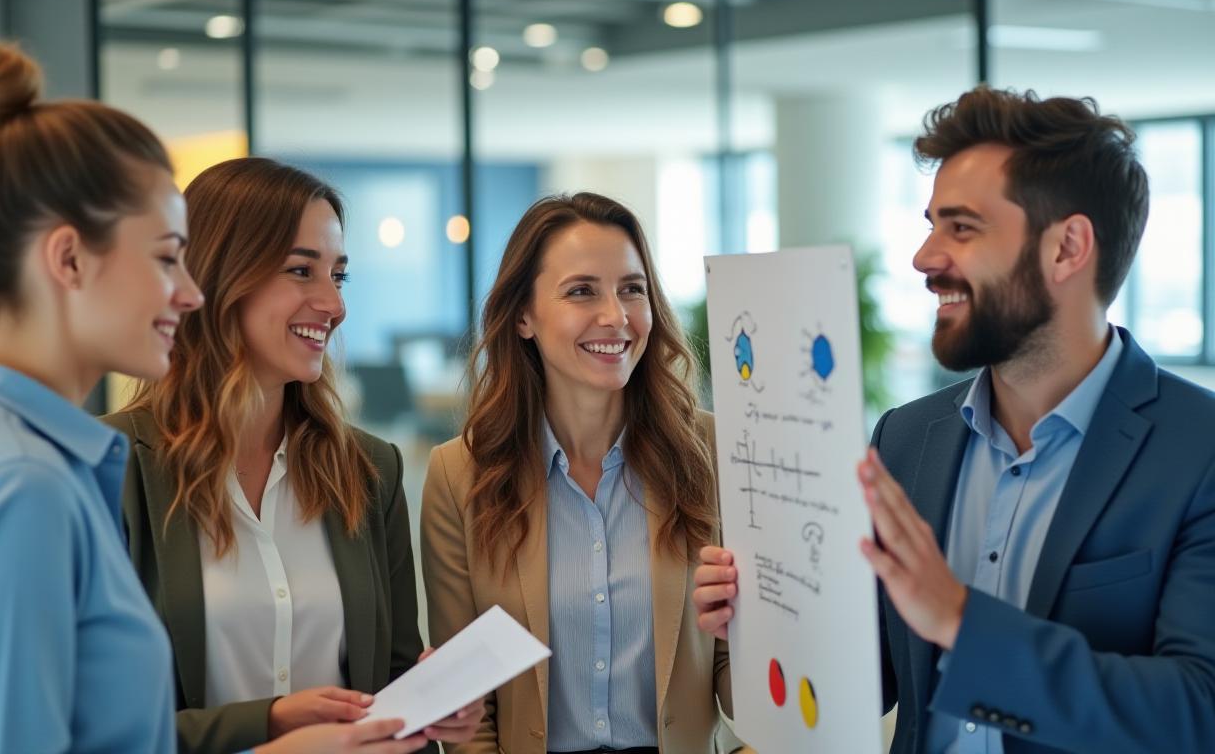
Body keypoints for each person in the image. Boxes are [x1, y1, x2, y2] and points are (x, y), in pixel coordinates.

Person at [692, 87, 1215, 753]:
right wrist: (761, 617)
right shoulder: (907, 439)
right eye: (931, 223)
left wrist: (965, 623)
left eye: (961, 228)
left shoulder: (1198, 451)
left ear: (1067, 248)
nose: (925, 257)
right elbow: (871, 678)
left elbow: (1197, 712)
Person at [0, 43, 420, 754]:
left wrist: (273, 722)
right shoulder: (28, 482)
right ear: (69, 259)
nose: (188, 292)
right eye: (167, 258)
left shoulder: (12, 452)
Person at [104, 156, 484, 754]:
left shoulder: (369, 471)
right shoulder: (110, 467)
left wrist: (432, 716)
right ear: (219, 275)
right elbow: (93, 727)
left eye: (339, 275)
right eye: (301, 271)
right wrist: (268, 723)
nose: (335, 305)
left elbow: (391, 678)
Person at [422, 192, 735, 754]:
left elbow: (741, 679)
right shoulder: (458, 475)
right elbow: (467, 707)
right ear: (522, 316)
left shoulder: (712, 453)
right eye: (581, 291)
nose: (615, 316)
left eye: (632, 290)